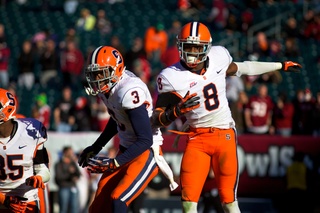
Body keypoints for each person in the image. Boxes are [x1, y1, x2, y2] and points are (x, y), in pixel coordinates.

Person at [150, 21, 302, 213]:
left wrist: (280, 65)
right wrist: (175, 111)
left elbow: (245, 67)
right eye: (188, 47)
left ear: (207, 48)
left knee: (229, 202)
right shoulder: (171, 77)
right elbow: (155, 119)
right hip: (197, 139)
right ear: (180, 46)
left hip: (224, 135)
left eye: (197, 48)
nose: (191, 53)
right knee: (188, 202)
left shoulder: (218, 57)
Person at [78, 46, 177, 213]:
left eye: (100, 73)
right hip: (127, 150)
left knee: (118, 199)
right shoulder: (108, 87)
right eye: (94, 74)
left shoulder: (128, 90)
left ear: (115, 70)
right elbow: (117, 118)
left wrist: (115, 162)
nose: (96, 78)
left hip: (146, 152)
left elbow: (145, 139)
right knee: (98, 204)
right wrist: (96, 147)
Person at [0, 88, 50, 213]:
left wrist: (39, 178)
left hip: (27, 201)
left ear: (8, 109)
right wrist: (4, 200)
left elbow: (43, 170)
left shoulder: (31, 131)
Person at [54, 146, 81, 213]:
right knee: (63, 208)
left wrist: (75, 177)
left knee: (74, 208)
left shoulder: (72, 163)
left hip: (73, 187)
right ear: (65, 152)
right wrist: (69, 173)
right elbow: (59, 177)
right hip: (64, 188)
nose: (72, 153)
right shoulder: (59, 164)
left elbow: (78, 174)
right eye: (70, 152)